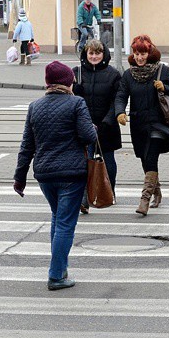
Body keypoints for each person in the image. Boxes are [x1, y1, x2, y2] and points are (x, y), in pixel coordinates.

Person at [13, 62, 97, 291]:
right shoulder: (76, 103)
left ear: (48, 83)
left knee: (57, 218)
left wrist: (19, 178)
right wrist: (93, 127)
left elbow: (26, 146)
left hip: (45, 175)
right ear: (68, 82)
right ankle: (56, 275)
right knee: (65, 225)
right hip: (72, 174)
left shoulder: (35, 106)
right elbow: (88, 136)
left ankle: (61, 267)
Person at [115, 34, 169, 216]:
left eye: (143, 53)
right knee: (145, 160)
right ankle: (157, 191)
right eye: (136, 53)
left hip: (157, 124)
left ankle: (144, 199)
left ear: (149, 52)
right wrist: (120, 112)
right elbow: (121, 95)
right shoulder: (129, 75)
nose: (139, 57)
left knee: (151, 157)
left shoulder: (162, 70)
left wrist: (164, 87)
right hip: (138, 124)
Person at [72, 39, 122, 213]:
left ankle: (109, 192)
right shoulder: (77, 72)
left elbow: (117, 100)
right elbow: (72, 100)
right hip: (83, 125)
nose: (94, 56)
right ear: (85, 54)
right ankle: (84, 198)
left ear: (104, 54)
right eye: (91, 53)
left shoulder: (113, 74)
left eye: (97, 53)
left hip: (106, 126)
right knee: (84, 163)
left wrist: (108, 121)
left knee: (107, 161)